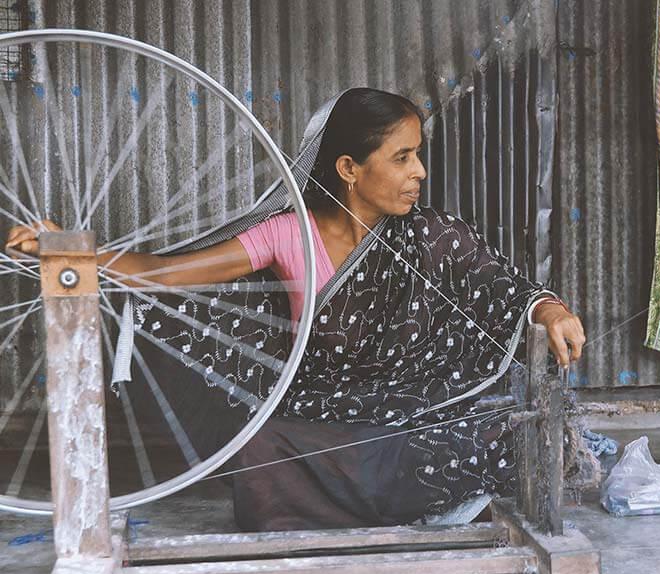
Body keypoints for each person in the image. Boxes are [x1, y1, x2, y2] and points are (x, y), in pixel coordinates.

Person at [5, 88, 585, 530]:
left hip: (410, 410)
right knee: (259, 448)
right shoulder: (288, 234)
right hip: (322, 412)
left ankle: (366, 494)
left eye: (418, 156)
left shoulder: (432, 234)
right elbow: (165, 276)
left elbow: (499, 285)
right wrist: (70, 252)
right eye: (402, 157)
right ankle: (396, 498)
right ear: (349, 169)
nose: (419, 173)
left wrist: (551, 310)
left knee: (493, 429)